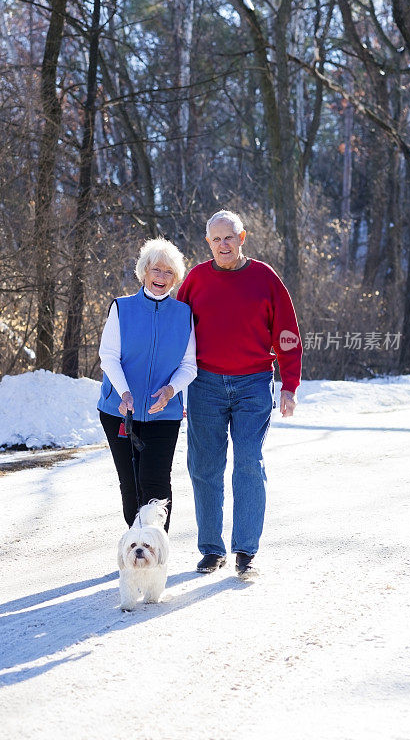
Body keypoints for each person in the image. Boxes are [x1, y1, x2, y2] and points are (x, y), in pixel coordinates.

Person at [177, 210, 301, 578]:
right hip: (205, 385)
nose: (222, 245)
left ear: (242, 237)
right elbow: (175, 332)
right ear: (207, 243)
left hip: (253, 383)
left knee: (248, 460)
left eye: (229, 237)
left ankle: (246, 549)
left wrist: (289, 386)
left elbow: (287, 335)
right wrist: (171, 383)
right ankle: (212, 549)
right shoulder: (196, 280)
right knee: (204, 466)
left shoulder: (265, 278)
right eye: (215, 239)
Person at [98, 237, 197, 532]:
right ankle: (136, 545)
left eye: (169, 273)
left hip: (163, 414)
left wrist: (170, 391)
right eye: (156, 270)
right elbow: (108, 357)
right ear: (144, 272)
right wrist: (124, 393)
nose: (161, 278)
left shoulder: (183, 315)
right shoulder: (122, 308)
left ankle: (155, 548)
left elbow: (189, 366)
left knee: (154, 483)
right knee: (130, 483)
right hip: (119, 411)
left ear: (175, 279)